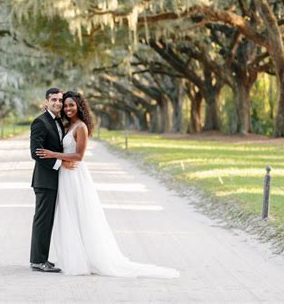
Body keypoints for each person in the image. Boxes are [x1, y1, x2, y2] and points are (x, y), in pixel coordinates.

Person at [36, 91, 180, 278]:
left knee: (80, 214)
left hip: (75, 176)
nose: (68, 108)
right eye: (65, 105)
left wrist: (54, 155)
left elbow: (79, 156)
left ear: (79, 106)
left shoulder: (81, 127)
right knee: (69, 215)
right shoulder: (66, 125)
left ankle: (90, 258)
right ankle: (75, 257)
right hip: (65, 175)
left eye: (71, 104)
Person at [29, 87, 76, 273]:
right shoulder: (40, 122)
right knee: (42, 220)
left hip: (56, 180)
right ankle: (38, 261)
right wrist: (60, 164)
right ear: (46, 102)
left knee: (47, 220)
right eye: (53, 100)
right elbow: (36, 153)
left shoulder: (59, 122)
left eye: (60, 100)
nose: (57, 103)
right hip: (44, 180)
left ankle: (42, 259)